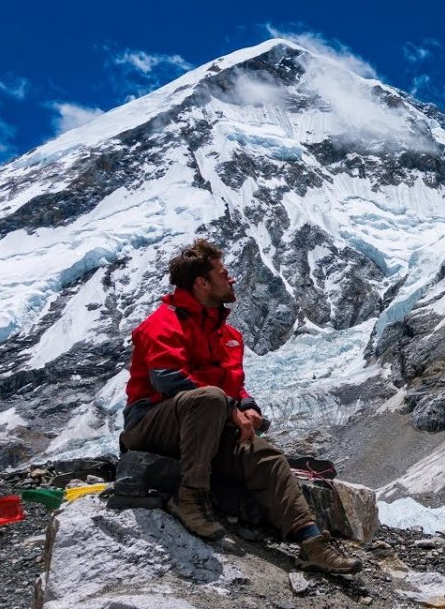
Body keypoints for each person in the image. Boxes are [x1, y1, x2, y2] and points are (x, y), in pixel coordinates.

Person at [119, 238, 361, 575]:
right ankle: (190, 497)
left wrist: (247, 405)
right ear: (201, 283)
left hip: (204, 429)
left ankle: (311, 541)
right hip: (152, 427)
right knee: (210, 399)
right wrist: (230, 407)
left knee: (267, 457)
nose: (230, 279)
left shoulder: (227, 334)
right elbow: (167, 379)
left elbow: (234, 386)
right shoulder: (164, 321)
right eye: (223, 273)